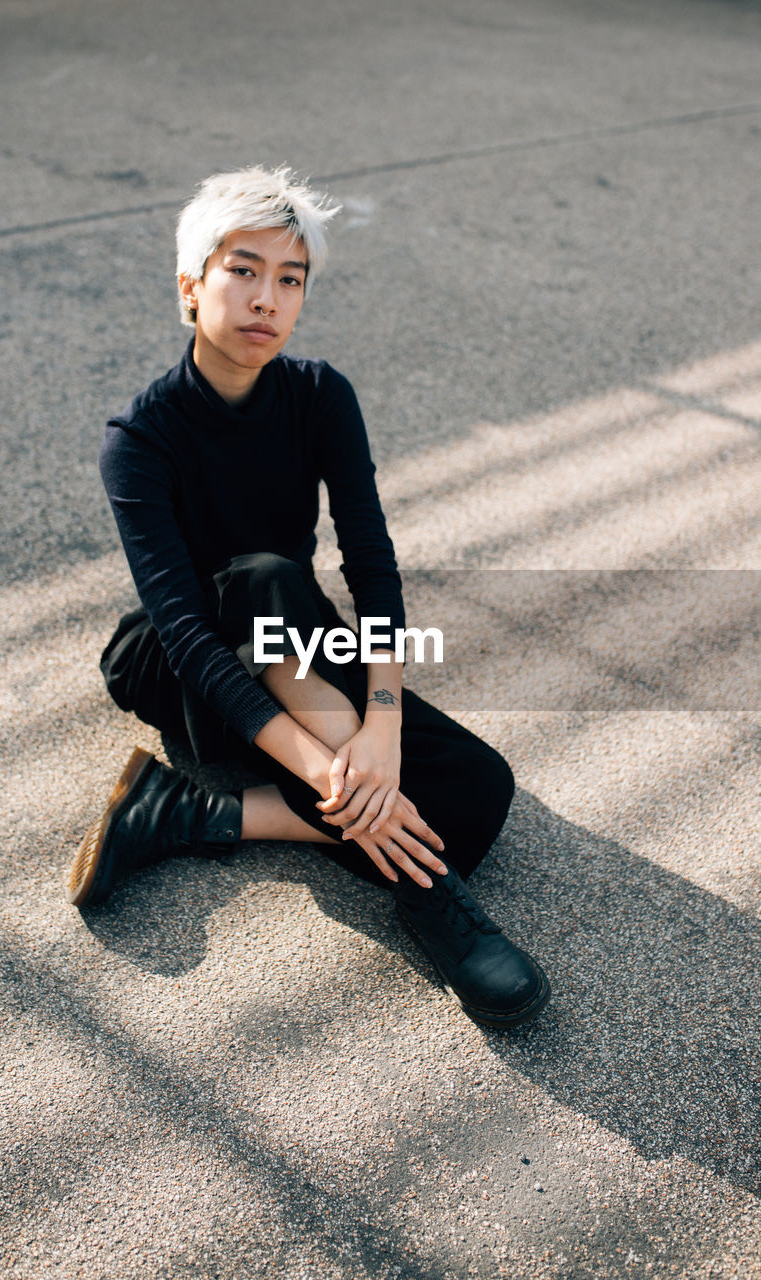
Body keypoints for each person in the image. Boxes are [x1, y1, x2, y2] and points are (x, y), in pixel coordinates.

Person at [67, 166, 550, 1029]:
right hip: (181, 667)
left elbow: (370, 559)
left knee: (480, 790)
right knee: (262, 577)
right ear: (191, 284)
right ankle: (432, 900)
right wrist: (338, 770)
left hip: (293, 637)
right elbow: (182, 630)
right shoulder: (138, 444)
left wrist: (387, 729)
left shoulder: (323, 396)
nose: (268, 299)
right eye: (243, 270)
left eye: (290, 279)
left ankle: (190, 811)